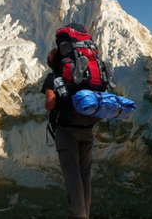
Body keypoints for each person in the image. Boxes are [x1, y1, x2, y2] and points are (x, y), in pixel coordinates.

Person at [42, 48, 94, 219]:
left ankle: (78, 216)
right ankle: (85, 213)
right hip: (87, 127)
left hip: (66, 130)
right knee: (84, 173)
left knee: (72, 172)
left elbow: (50, 103)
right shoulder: (83, 76)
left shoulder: (53, 77)